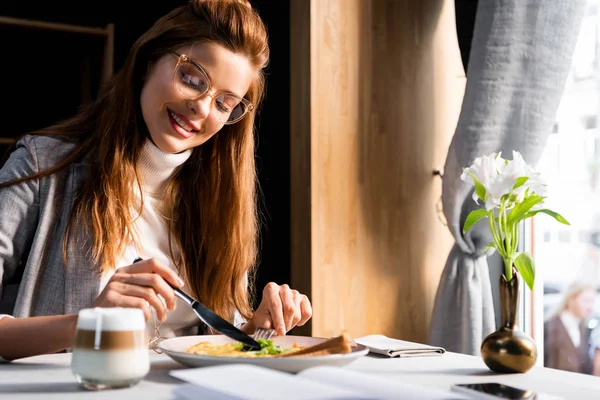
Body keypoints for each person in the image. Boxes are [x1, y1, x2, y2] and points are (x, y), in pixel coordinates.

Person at [0, 0, 312, 361]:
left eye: (225, 104)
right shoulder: (42, 165)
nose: (202, 108)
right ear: (149, 59)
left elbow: (207, 346)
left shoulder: (218, 201)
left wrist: (256, 329)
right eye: (192, 79)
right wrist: (89, 323)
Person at [544, 282, 596, 374]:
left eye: (592, 301)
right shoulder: (550, 326)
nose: (590, 306)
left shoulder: (584, 328)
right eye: (586, 301)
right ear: (571, 299)